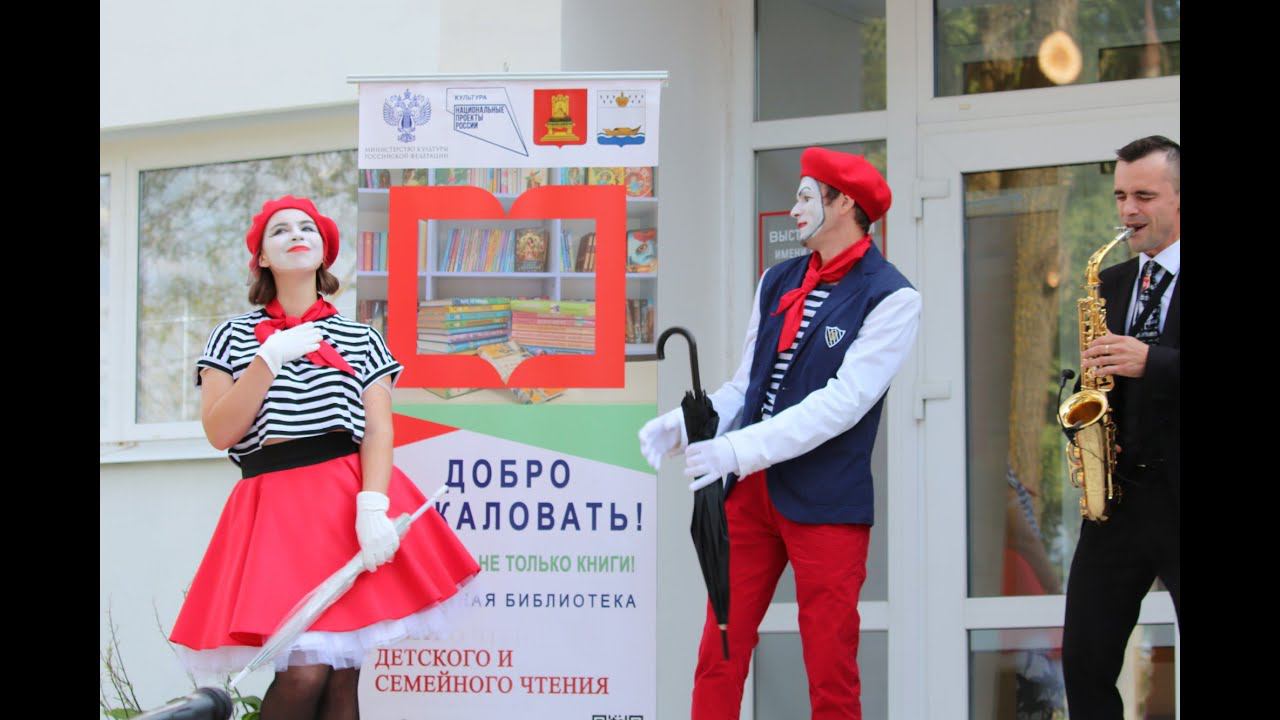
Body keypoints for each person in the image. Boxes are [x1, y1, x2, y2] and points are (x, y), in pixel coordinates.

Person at [169, 195, 481, 719]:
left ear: (324, 251)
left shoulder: (360, 337)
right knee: (305, 670)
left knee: (341, 677)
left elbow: (377, 430)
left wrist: (373, 507)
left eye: (307, 228)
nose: (296, 234)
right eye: (280, 230)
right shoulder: (231, 336)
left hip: (345, 501)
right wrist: (268, 359)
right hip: (275, 508)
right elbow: (220, 432)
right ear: (261, 257)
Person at [639, 148, 920, 719]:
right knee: (719, 650)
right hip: (752, 493)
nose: (794, 209)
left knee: (830, 668)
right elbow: (749, 386)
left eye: (807, 196)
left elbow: (841, 404)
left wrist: (737, 448)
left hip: (825, 499)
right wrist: (690, 421)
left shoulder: (892, 297)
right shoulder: (777, 280)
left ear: (845, 204)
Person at [1063, 135, 1180, 718]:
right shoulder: (1109, 282)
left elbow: (1147, 365)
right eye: (1120, 196)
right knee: (1084, 661)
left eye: (1144, 197)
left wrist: (1152, 361)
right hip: (1117, 498)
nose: (1128, 210)